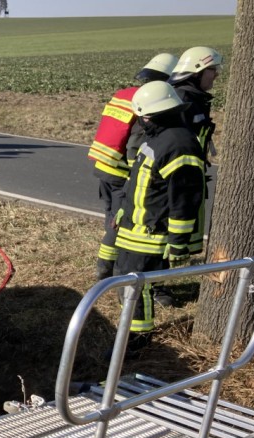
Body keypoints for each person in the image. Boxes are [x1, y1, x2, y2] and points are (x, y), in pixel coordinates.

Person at [113, 81, 205, 353]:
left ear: (154, 115)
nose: (142, 122)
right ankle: (130, 334)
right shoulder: (160, 139)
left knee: (136, 288)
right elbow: (140, 182)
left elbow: (185, 199)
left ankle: (137, 344)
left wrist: (178, 241)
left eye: (144, 117)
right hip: (136, 229)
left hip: (151, 234)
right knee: (127, 284)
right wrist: (124, 210)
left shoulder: (179, 145)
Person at [87, 53, 178, 282]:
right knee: (118, 224)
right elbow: (135, 146)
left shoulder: (125, 95)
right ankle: (108, 273)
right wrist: (136, 177)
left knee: (111, 219)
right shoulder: (147, 103)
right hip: (120, 172)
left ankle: (106, 270)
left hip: (104, 166)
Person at [169, 46, 223, 257]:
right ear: (197, 70)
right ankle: (152, 286)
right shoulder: (183, 100)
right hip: (178, 174)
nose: (217, 74)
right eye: (212, 69)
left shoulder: (195, 99)